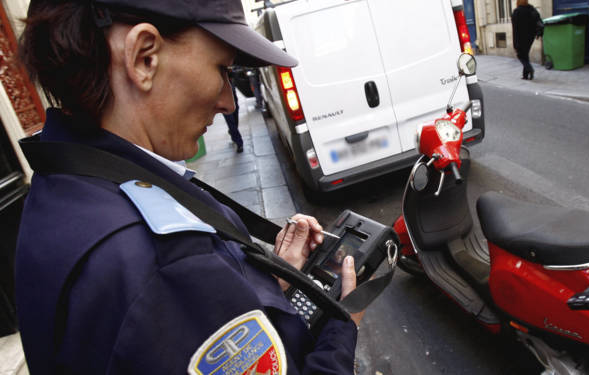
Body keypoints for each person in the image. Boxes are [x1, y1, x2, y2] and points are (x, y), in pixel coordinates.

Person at [15, 0, 363, 373]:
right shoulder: (167, 260)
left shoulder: (64, 184)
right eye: (222, 69)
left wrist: (256, 285)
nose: (229, 102)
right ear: (144, 57)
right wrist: (344, 325)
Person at [511, 0, 544, 80]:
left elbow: (515, 29)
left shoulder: (517, 12)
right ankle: (525, 76)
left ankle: (530, 69)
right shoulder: (532, 9)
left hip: (520, 38)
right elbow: (539, 21)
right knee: (525, 55)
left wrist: (515, 43)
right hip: (530, 37)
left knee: (520, 55)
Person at [224, 81, 244, 153]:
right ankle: (239, 142)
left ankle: (232, 131)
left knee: (235, 115)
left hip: (231, 91)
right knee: (230, 119)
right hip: (222, 95)